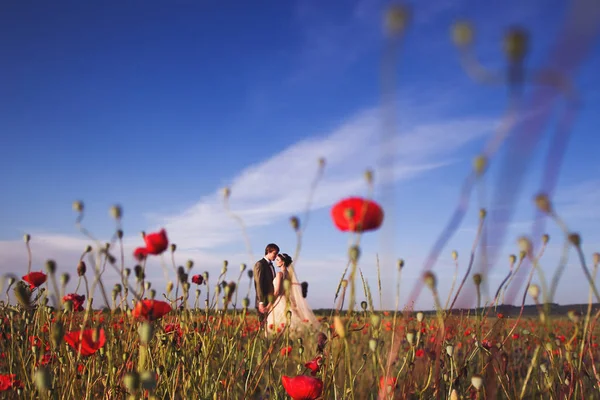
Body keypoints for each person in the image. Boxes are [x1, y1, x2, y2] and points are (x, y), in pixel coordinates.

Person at [265, 252, 320, 336]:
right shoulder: (289, 275)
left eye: (278, 260)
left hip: (279, 302)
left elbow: (277, 292)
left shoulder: (280, 274)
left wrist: (268, 306)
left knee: (275, 326)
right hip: (287, 301)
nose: (276, 261)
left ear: (282, 262)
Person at [253, 243, 279, 325]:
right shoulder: (260, 264)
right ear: (268, 251)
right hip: (263, 302)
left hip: (271, 301)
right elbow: (258, 284)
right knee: (262, 327)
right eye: (275, 253)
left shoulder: (272, 266)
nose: (276, 256)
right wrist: (261, 302)